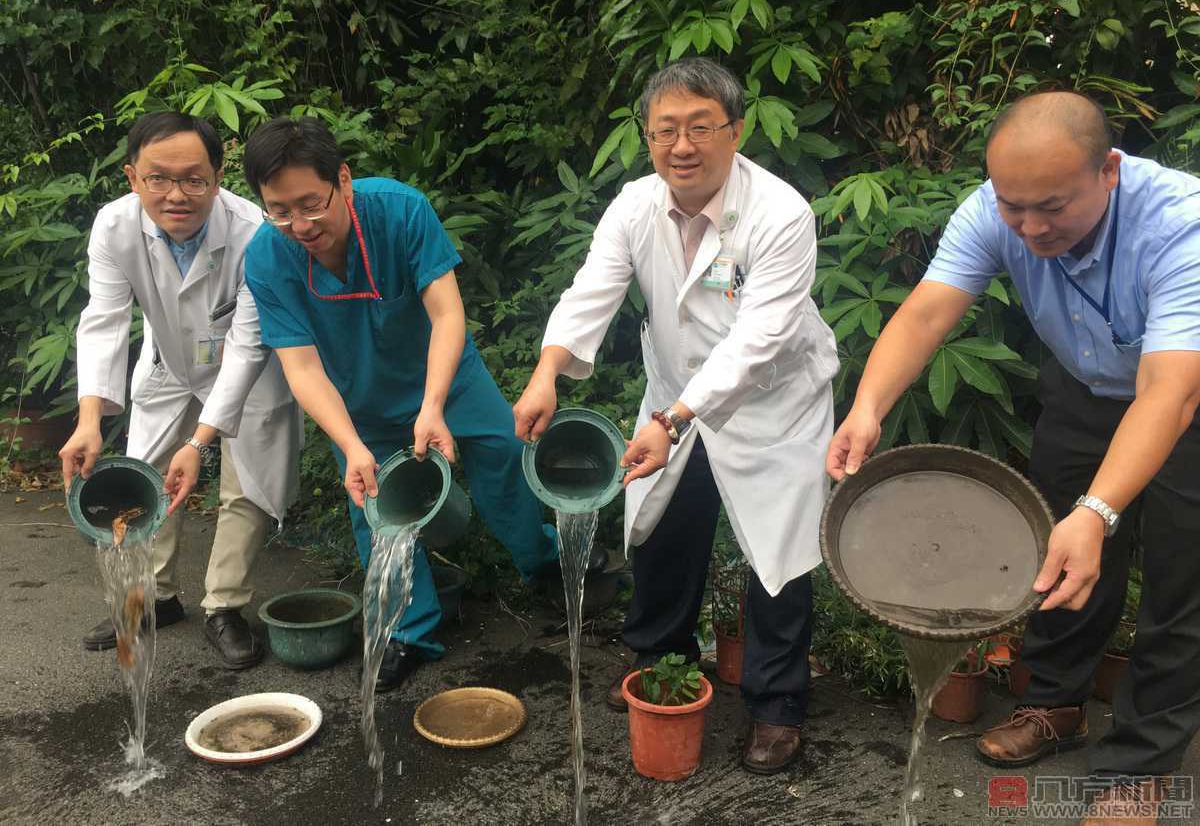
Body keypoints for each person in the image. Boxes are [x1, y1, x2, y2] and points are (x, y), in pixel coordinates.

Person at [826, 91, 1200, 824]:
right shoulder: (993, 210)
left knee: (1180, 583)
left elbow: (1169, 393)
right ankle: (1055, 704)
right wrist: (866, 408)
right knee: (1051, 546)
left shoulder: (1182, 226)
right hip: (1085, 389)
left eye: (1051, 207)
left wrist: (1101, 509)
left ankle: (1140, 764)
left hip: (1184, 394)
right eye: (1012, 207)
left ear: (1110, 171)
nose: (1030, 227)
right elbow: (930, 308)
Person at [513, 58, 839, 775]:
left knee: (776, 557)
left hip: (774, 402)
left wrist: (677, 417)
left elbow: (760, 339)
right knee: (660, 525)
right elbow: (591, 289)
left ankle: (777, 704)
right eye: (665, 130)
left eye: (700, 128)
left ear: (736, 130)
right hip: (674, 394)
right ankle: (662, 659)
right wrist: (546, 374)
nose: (681, 146)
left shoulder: (780, 212)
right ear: (648, 136)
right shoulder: (635, 204)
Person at [239, 117, 604, 691]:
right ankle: (409, 631)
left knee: (506, 464)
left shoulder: (399, 211)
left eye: (311, 203)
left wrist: (432, 405)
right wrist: (352, 445)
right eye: (279, 210)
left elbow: (447, 313)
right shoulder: (266, 257)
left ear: (344, 178)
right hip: (359, 404)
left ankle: (544, 564)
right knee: (378, 510)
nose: (300, 225)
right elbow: (300, 367)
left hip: (448, 380)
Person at [60, 112, 303, 670]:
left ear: (218, 178)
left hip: (252, 369)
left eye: (194, 179)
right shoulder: (115, 226)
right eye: (158, 178)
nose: (176, 194)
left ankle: (225, 605)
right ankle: (154, 599)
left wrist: (200, 442)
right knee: (144, 476)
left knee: (246, 484)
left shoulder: (253, 232)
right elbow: (103, 319)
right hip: (170, 363)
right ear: (132, 177)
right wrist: (89, 418)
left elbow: (246, 344)